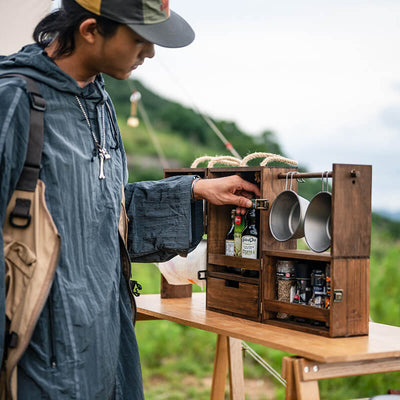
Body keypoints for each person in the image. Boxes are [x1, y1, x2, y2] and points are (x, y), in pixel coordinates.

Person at [0, 0, 260, 398]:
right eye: (140, 39)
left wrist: (195, 191)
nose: (151, 52)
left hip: (107, 340)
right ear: (90, 30)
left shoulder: (100, 101)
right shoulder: (14, 100)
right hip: (41, 353)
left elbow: (100, 213)